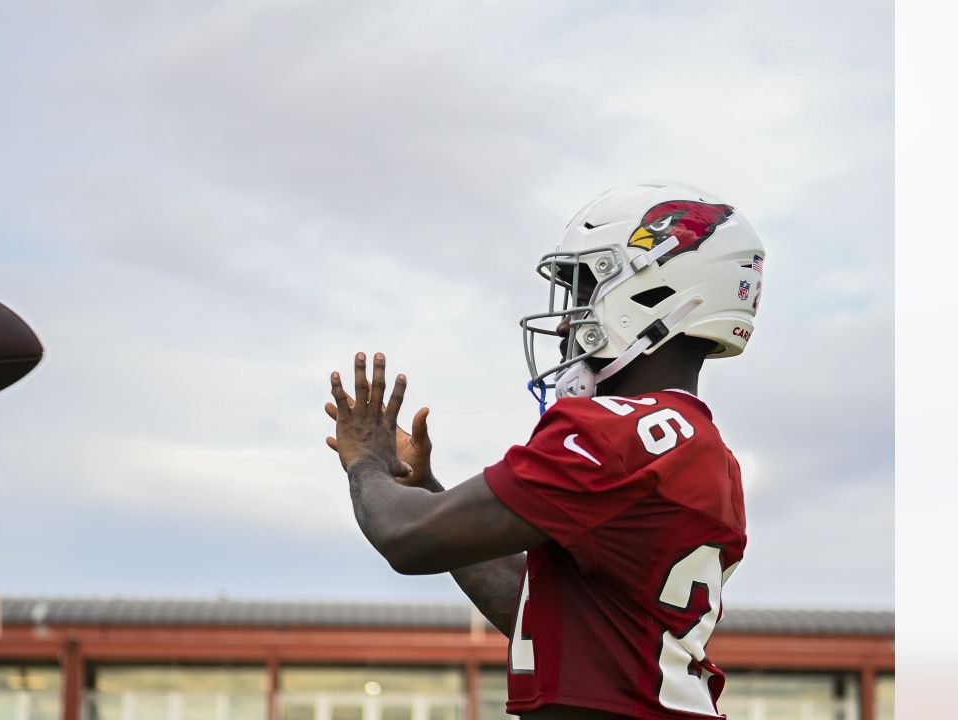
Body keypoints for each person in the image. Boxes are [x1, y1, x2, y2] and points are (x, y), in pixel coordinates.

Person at [324, 181, 765, 720]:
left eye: (584, 291)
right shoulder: (709, 453)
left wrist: (365, 460)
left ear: (654, 293)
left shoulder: (611, 432)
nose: (564, 321)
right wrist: (429, 492)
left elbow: (408, 538)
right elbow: (541, 614)